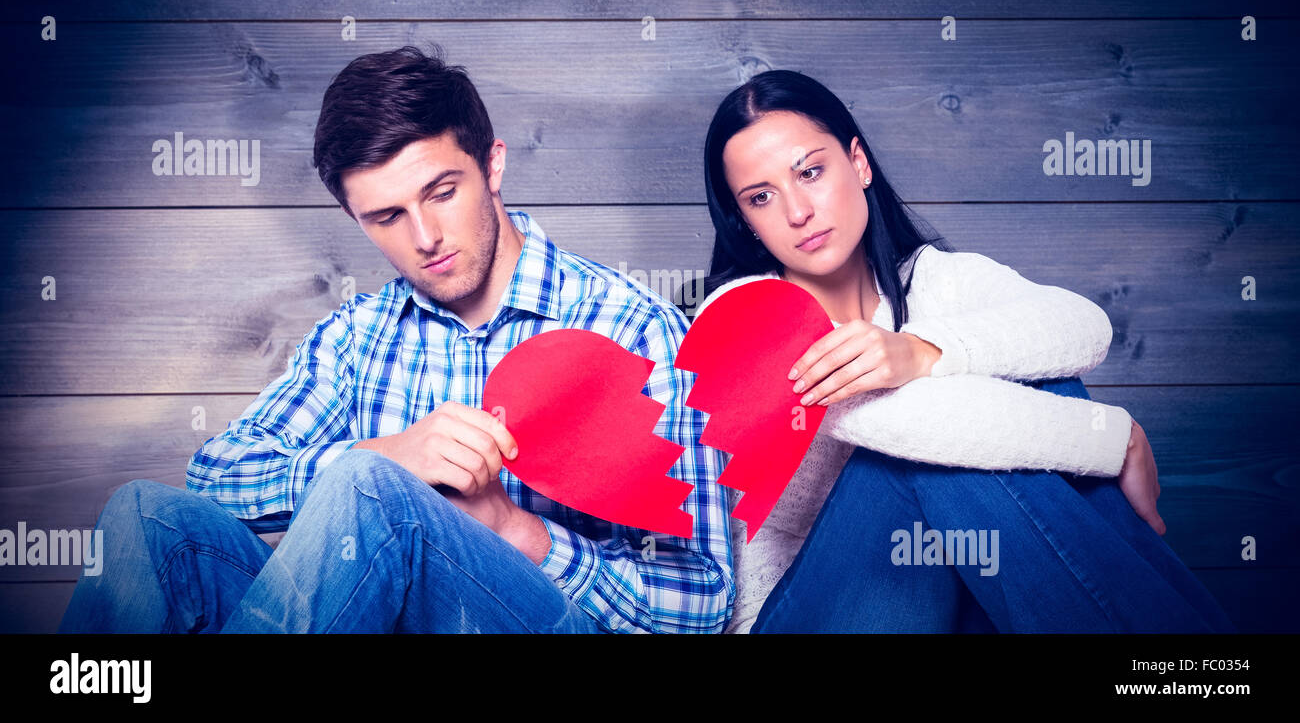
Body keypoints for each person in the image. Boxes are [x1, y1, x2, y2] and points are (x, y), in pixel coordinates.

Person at [58, 45, 733, 634]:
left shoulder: (629, 326)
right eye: (386, 216)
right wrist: (391, 454)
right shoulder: (359, 334)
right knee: (148, 520)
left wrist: (515, 530)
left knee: (369, 487)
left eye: (442, 192)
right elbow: (215, 475)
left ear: (492, 166)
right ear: (357, 221)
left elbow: (704, 599)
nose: (424, 237)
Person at [692, 69, 1235, 634]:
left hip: (938, 604)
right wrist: (1109, 435)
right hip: (803, 614)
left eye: (810, 171)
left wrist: (923, 351)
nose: (798, 211)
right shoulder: (744, 314)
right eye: (762, 197)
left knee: (1038, 385)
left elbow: (1082, 327)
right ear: (746, 223)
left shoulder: (934, 279)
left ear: (859, 163)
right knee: (935, 452)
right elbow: (913, 427)